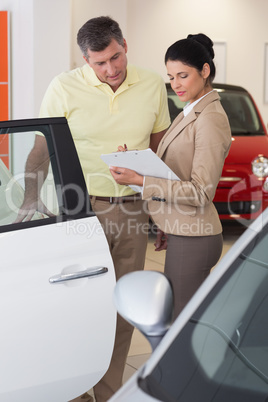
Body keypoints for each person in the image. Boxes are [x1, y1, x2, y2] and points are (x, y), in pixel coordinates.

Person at [16, 16, 170, 402]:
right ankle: (76, 391)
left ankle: (108, 391)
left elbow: (160, 152)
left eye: (116, 57)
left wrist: (164, 211)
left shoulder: (151, 83)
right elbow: (40, 148)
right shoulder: (63, 87)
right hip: (81, 210)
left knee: (123, 307)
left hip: (134, 209)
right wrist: (30, 199)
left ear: (125, 44)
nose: (111, 69)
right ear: (85, 59)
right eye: (99, 62)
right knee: (80, 306)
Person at [110, 33, 232, 319]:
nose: (175, 84)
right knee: (181, 320)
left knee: (180, 324)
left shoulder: (210, 117)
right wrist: (137, 165)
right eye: (171, 76)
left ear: (205, 71)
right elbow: (175, 171)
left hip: (196, 237)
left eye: (183, 75)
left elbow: (201, 192)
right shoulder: (189, 110)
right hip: (182, 230)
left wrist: (140, 181)